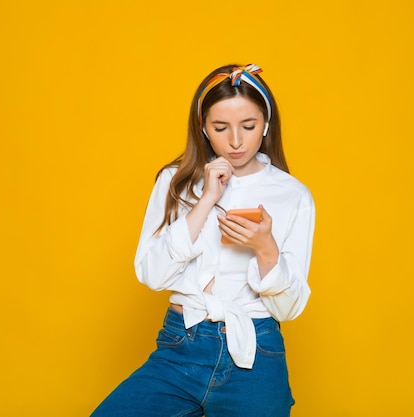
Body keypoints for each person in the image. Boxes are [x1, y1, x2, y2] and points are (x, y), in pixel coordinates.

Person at [90, 64, 315, 417]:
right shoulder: (175, 181)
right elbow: (152, 274)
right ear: (203, 129)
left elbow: (289, 308)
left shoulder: (292, 194)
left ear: (266, 125)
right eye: (221, 128)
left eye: (249, 126)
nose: (236, 141)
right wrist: (206, 199)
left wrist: (264, 247)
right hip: (182, 346)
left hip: (256, 352)